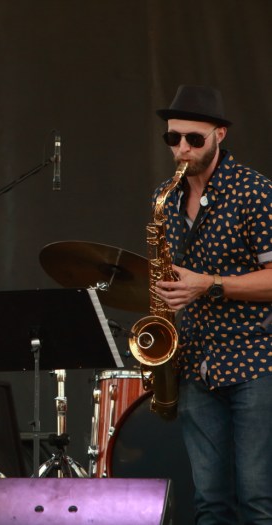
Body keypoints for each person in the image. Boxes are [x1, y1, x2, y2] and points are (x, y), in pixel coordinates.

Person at [154, 85, 272, 523]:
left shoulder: (255, 192)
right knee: (209, 504)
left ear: (220, 134)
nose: (182, 149)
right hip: (195, 363)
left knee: (258, 502)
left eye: (194, 138)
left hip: (254, 362)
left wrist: (209, 285)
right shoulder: (165, 198)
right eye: (173, 138)